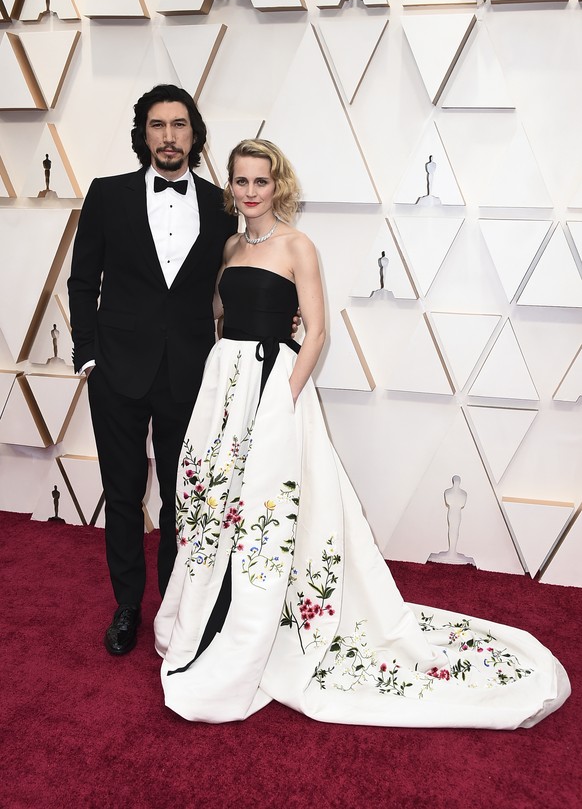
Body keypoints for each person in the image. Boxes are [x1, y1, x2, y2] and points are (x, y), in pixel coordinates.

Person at [154, 139, 570, 728]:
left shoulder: (299, 246)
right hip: (226, 388)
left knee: (267, 510)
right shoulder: (227, 246)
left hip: (275, 391)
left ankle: (264, 625)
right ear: (232, 186)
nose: (250, 192)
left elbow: (317, 332)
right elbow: (225, 320)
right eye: (241, 182)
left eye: (261, 182)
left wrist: (283, 397)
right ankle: (213, 618)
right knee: (216, 507)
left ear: (279, 186)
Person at [68, 84, 238, 656]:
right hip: (115, 369)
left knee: (179, 497)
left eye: (180, 125)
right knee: (121, 494)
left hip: (188, 373)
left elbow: (233, 282)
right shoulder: (107, 194)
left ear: (195, 133)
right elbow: (82, 278)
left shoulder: (221, 205)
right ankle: (126, 606)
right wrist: (88, 354)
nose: (169, 136)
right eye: (158, 125)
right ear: (144, 133)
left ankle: (173, 603)